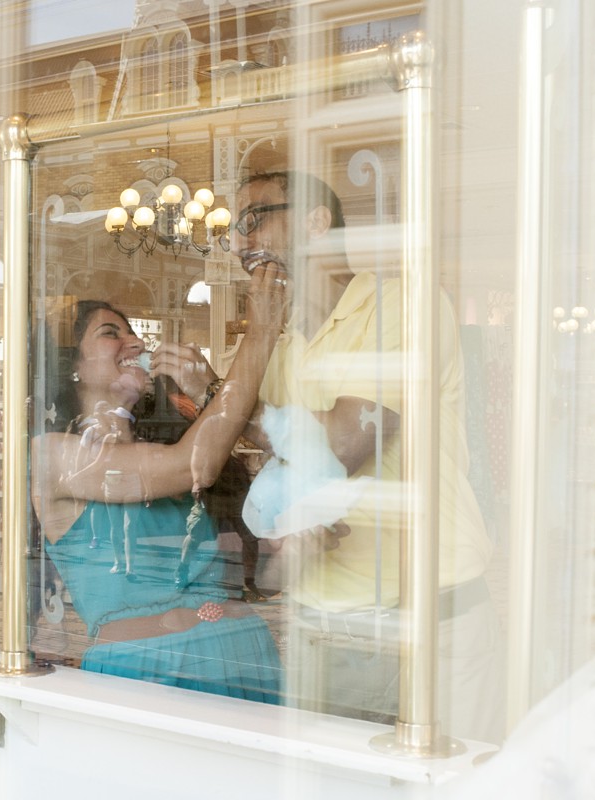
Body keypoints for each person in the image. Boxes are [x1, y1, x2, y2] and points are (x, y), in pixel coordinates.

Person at [155, 169, 502, 742]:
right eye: (235, 227)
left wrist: (232, 391)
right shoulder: (284, 342)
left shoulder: (401, 307)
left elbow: (343, 444)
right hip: (325, 621)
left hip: (430, 619)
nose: (241, 240)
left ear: (317, 221)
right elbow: (256, 461)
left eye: (255, 218)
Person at [30, 262, 288, 704]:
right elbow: (193, 465)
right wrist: (260, 333)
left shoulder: (168, 444)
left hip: (244, 656)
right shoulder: (50, 455)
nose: (135, 342)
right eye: (111, 332)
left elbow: (260, 579)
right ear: (72, 365)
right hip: (147, 673)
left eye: (135, 334)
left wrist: (292, 548)